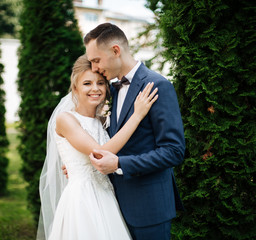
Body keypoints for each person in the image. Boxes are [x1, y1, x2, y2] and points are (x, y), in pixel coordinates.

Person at [37, 54, 158, 240]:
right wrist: (137, 115)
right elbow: (101, 154)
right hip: (83, 201)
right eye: (87, 83)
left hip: (108, 197)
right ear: (75, 88)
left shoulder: (103, 122)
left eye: (101, 83)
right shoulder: (66, 119)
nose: (95, 88)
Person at [85, 23, 186, 240]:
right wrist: (84, 162)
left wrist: (120, 164)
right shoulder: (109, 90)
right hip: (111, 206)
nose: (94, 68)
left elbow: (174, 151)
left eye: (96, 60)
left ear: (115, 50)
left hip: (149, 208)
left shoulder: (158, 85)